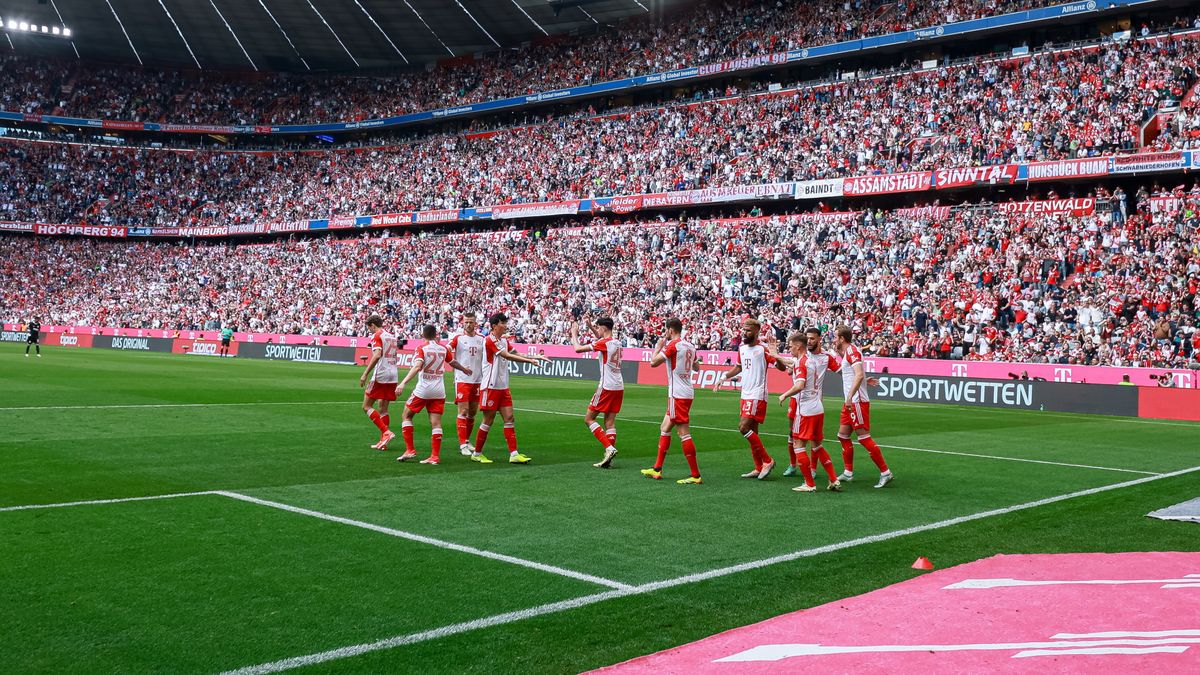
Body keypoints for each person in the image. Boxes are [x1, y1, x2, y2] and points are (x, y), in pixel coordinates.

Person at [472, 312, 551, 464]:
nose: (505, 325)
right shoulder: (489, 340)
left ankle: (514, 454)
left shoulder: (503, 341)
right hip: (490, 386)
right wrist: (530, 362)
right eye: (503, 323)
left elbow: (516, 353)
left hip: (503, 387)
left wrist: (535, 357)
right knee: (488, 419)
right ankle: (477, 453)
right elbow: (507, 356)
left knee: (509, 418)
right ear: (495, 326)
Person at [395, 325, 472, 465]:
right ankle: (435, 456)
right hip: (439, 390)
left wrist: (403, 383)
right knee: (436, 423)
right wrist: (464, 369)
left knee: (406, 415)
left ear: (423, 334)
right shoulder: (443, 348)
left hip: (423, 389)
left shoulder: (421, 348)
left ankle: (410, 450)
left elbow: (418, 366)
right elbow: (452, 361)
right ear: (435, 334)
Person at [712, 318, 777, 480]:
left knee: (743, 427)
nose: (744, 333)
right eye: (743, 330)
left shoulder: (763, 349)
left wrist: (774, 352)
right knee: (752, 432)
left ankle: (768, 461)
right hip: (745, 393)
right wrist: (724, 377)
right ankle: (758, 467)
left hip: (757, 394)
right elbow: (739, 367)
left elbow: (780, 366)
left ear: (756, 331)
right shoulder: (741, 349)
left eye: (748, 330)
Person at [641, 318, 703, 485]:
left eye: (666, 330)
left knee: (683, 432)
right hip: (687, 391)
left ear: (670, 330)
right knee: (665, 427)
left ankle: (695, 475)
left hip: (678, 394)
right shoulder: (690, 345)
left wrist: (658, 348)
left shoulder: (673, 345)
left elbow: (653, 363)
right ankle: (657, 469)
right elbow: (697, 368)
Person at [833, 326, 894, 489]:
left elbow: (858, 374)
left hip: (856, 401)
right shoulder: (847, 353)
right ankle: (848, 472)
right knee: (843, 435)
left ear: (841, 339)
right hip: (851, 400)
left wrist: (850, 397)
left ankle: (885, 472)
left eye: (835, 337)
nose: (833, 339)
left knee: (863, 437)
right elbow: (854, 375)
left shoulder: (852, 351)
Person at [572, 318, 624, 469]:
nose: (597, 331)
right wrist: (589, 327)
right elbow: (602, 340)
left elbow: (577, 349)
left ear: (603, 328)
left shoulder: (604, 343)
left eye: (598, 328)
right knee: (609, 422)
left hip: (606, 386)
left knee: (589, 419)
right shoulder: (617, 342)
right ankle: (608, 458)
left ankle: (609, 448)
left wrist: (574, 333)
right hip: (618, 385)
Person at [774, 332, 819, 492]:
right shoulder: (809, 360)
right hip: (816, 406)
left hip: (805, 406)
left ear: (799, 346)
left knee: (798, 442)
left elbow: (799, 384)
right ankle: (832, 479)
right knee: (816, 443)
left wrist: (784, 394)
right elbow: (788, 362)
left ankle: (809, 482)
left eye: (791, 346)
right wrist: (775, 353)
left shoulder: (802, 362)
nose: (790, 348)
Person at [447, 312, 486, 455]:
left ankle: (467, 441)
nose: (468, 325)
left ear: (476, 323)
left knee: (472, 412)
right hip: (462, 379)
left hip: (478, 380)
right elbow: (447, 351)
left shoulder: (482, 339)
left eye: (471, 322)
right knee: (463, 411)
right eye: (466, 322)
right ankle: (462, 444)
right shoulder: (458, 338)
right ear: (462, 323)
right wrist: (458, 368)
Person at [359, 315, 399, 450]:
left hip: (381, 373)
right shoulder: (392, 336)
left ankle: (386, 433)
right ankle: (384, 441)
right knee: (383, 408)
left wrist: (365, 374)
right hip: (393, 374)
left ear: (372, 325)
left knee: (366, 406)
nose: (369, 330)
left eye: (369, 327)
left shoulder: (377, 335)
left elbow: (377, 355)